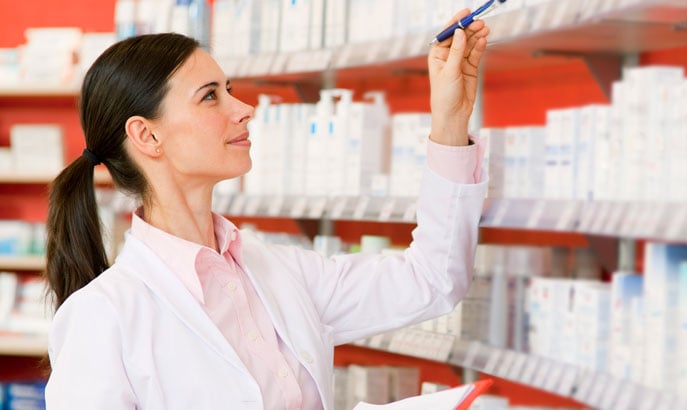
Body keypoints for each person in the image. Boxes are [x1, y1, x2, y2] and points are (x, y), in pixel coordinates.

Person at [44, 10, 490, 410]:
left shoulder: (278, 272)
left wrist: (450, 121)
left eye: (229, 90)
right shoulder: (103, 316)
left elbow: (433, 280)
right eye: (210, 96)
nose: (245, 109)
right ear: (147, 136)